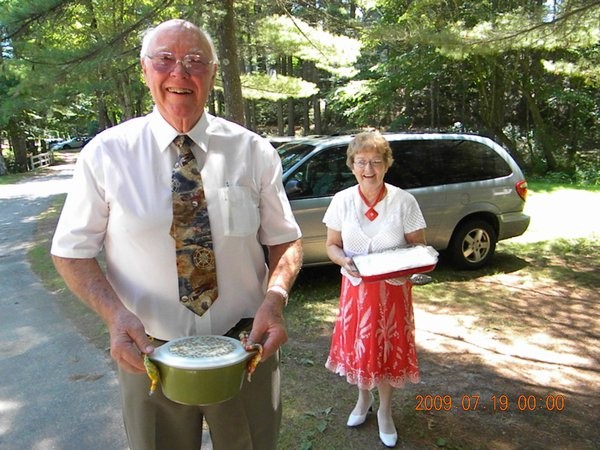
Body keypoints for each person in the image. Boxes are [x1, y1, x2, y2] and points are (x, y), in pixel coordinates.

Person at [50, 19, 303, 450]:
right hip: (148, 354)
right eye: (165, 59)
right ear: (145, 70)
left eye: (195, 61)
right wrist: (115, 317)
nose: (179, 73)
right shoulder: (106, 154)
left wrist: (275, 301)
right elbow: (71, 252)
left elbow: (286, 240)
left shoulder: (253, 151)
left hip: (245, 348)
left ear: (213, 72)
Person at [322, 131, 426, 448]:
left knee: (385, 352)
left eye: (376, 162)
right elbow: (332, 246)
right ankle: (362, 400)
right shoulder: (342, 201)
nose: (369, 169)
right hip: (356, 291)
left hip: (392, 293)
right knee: (361, 350)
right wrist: (344, 261)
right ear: (352, 164)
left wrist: (403, 267)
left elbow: (418, 247)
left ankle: (385, 411)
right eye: (362, 162)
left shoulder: (404, 201)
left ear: (387, 165)